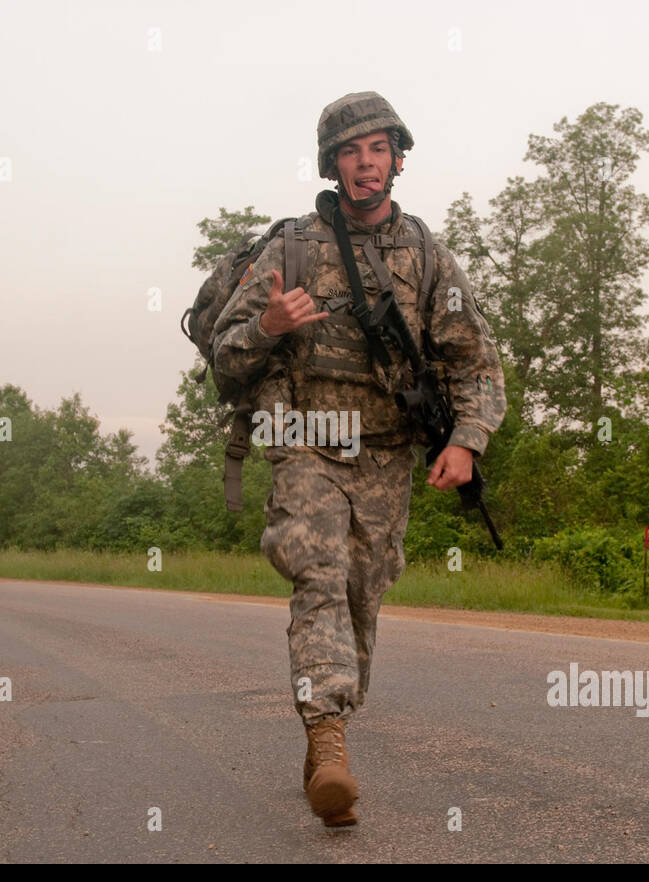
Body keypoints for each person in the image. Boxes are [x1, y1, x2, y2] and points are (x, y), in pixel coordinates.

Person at [211, 91, 506, 827]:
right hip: (308, 438)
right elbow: (223, 357)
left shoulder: (428, 256)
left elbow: (475, 361)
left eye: (378, 148)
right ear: (332, 163)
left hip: (384, 454)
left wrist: (467, 440)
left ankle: (326, 734)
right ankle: (328, 732)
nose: (365, 162)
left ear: (397, 158)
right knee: (318, 572)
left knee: (361, 595)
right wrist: (270, 323)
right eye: (351, 150)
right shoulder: (291, 250)